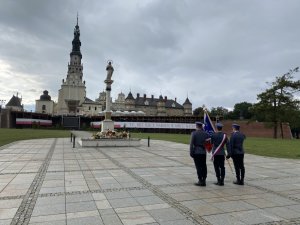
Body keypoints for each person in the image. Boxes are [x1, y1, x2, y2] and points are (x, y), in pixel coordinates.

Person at [190, 121, 211, 186]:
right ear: (201, 126)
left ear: (196, 126)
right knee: (204, 166)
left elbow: (191, 144)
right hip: (203, 152)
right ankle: (204, 180)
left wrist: (191, 152)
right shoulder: (206, 134)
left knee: (198, 166)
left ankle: (200, 180)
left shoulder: (194, 133)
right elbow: (208, 144)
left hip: (196, 152)